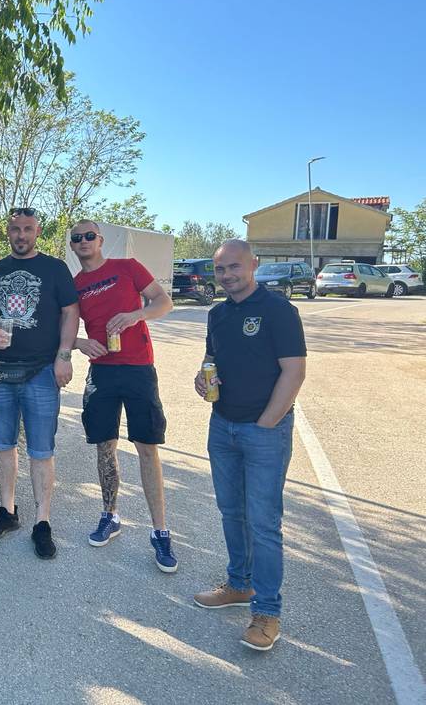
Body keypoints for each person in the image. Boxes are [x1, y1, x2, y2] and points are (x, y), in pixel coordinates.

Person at [192, 239, 306, 652]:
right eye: (220, 269)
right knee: (231, 513)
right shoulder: (217, 314)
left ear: (253, 265)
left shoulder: (279, 310)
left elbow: (294, 372)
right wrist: (203, 379)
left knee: (263, 523)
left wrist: (267, 423)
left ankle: (267, 612)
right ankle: (239, 585)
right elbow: (211, 361)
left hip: (264, 432)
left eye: (234, 267)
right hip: (222, 427)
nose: (227, 275)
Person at [68, 220, 178, 573]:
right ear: (72, 246)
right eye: (77, 238)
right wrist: (80, 342)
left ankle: (160, 531)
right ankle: (110, 515)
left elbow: (164, 302)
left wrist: (136, 315)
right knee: (105, 446)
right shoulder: (75, 285)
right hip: (102, 371)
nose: (84, 241)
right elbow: (62, 328)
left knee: (147, 446)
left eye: (89, 236)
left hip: (138, 367)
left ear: (100, 240)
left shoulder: (127, 267)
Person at [0, 208, 79, 559]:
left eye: (28, 229)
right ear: (7, 232)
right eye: (16, 229)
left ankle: (42, 523)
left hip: (41, 372)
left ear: (38, 232)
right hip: (1, 373)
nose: (21, 235)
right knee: (2, 446)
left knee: (41, 450)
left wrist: (64, 355)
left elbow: (71, 312)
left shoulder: (54, 269)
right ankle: (7, 512)